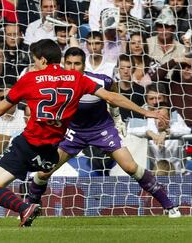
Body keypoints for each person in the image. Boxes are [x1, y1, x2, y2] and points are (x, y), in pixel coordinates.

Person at [0, 39, 169, 227]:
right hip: (51, 151)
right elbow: (112, 97)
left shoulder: (30, 79)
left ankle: (24, 207)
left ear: (43, 59)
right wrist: (144, 112)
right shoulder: (77, 78)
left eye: (35, 60)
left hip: (29, 143)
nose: (34, 64)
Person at [25, 47, 181, 218]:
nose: (72, 67)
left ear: (84, 66)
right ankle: (31, 205)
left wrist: (117, 118)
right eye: (68, 63)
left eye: (77, 64)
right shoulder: (55, 83)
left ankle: (169, 206)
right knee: (44, 172)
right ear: (63, 64)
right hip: (73, 132)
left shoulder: (100, 81)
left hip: (101, 129)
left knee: (130, 167)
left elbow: (113, 93)